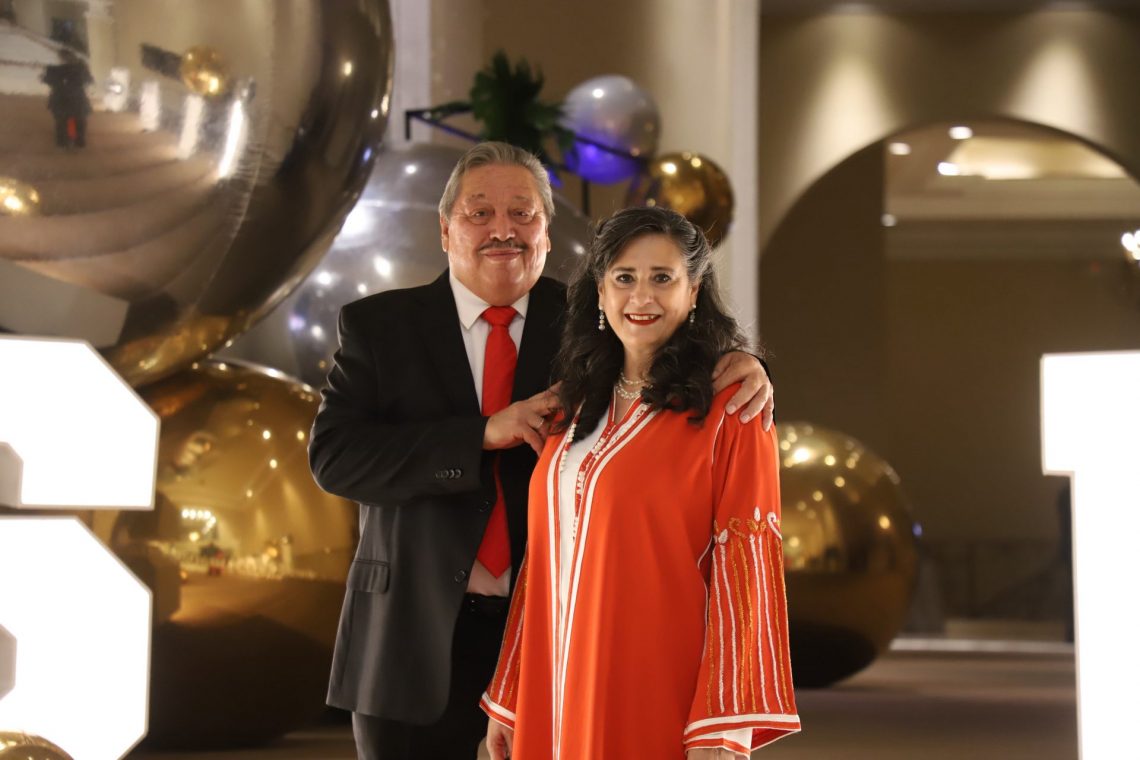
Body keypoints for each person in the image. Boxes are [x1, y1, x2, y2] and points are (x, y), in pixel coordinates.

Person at [309, 142, 775, 760]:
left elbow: (670, 350)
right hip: (410, 635)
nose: (503, 229)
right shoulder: (379, 327)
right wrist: (480, 434)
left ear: (547, 233)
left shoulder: (590, 322)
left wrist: (746, 363)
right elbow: (335, 458)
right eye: (480, 213)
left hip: (560, 636)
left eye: (523, 213)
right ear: (445, 230)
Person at [482, 206, 800, 759]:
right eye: (625, 277)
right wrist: (512, 693)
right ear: (601, 292)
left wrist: (722, 725)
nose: (642, 297)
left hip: (655, 686)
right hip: (554, 689)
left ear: (693, 291)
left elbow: (746, 566)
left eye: (663, 278)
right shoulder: (574, 404)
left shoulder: (732, 409)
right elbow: (546, 555)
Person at [41, 48, 93, 149]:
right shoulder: (81, 68)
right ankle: (79, 141)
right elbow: (89, 80)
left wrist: (44, 77)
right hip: (77, 97)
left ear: (61, 58)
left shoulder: (54, 69)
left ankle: (63, 142)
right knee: (79, 120)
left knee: (61, 121)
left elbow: (48, 80)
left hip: (60, 98)